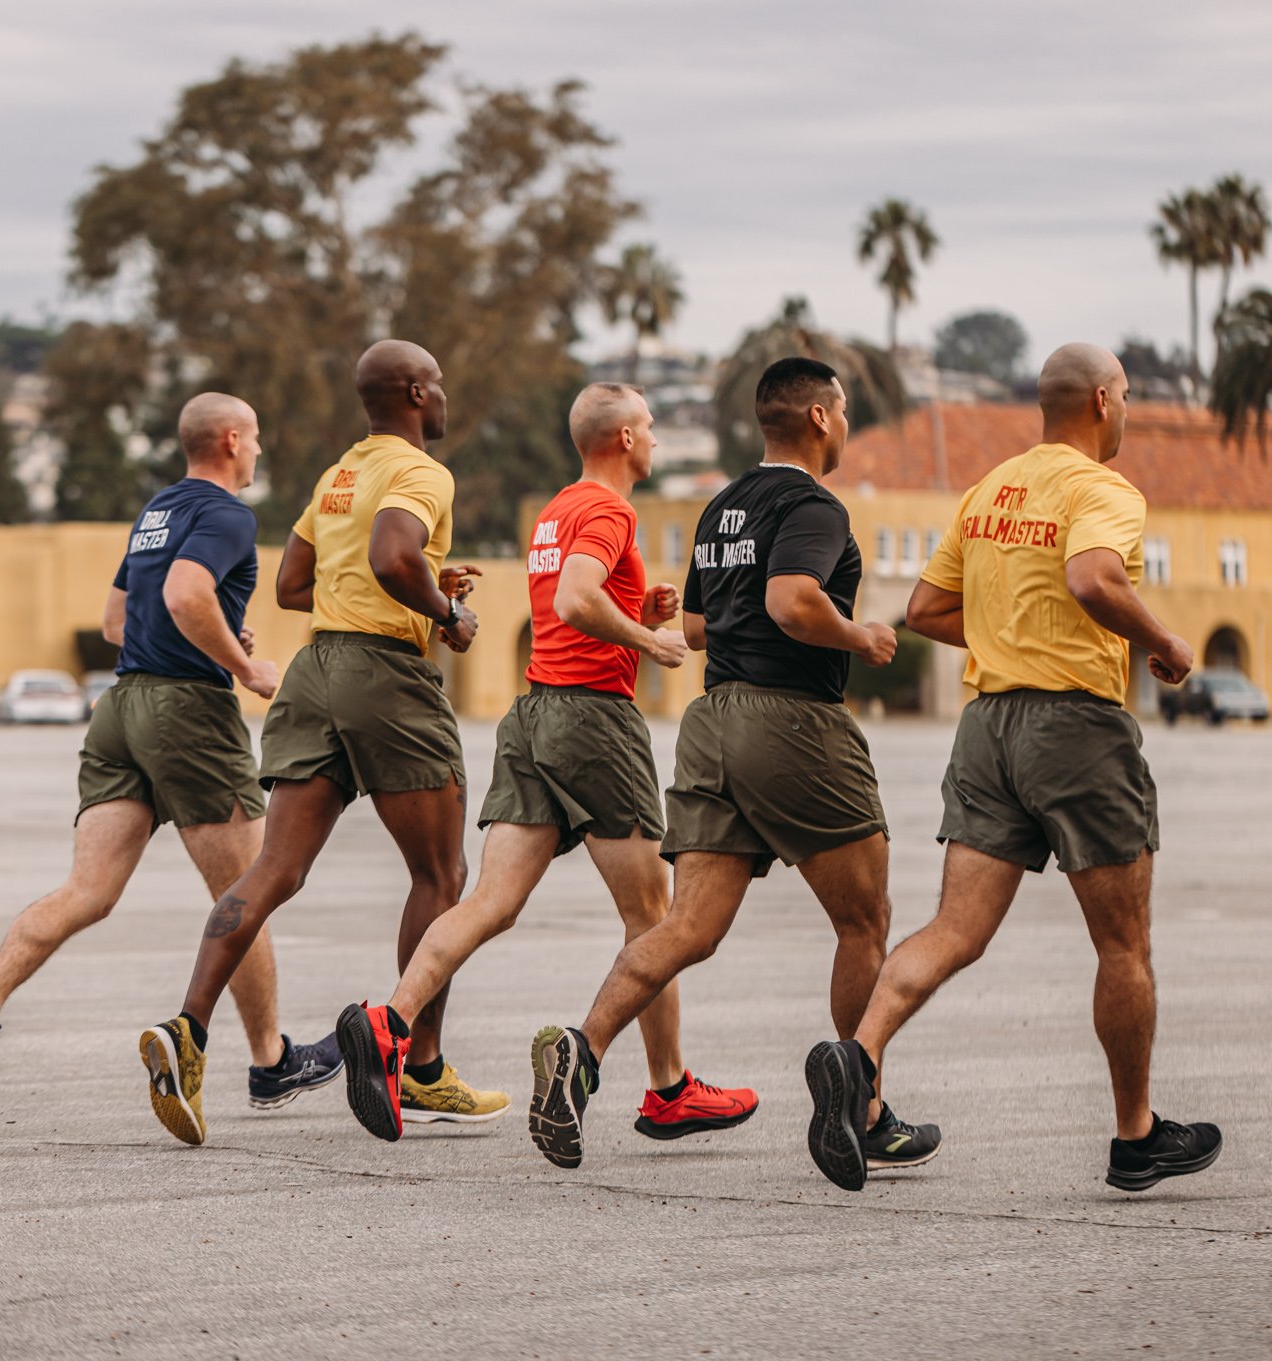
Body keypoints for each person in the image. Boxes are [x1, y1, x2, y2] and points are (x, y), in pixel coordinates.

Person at [803, 344, 1220, 1195]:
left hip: (987, 727)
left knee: (955, 929)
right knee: (1123, 943)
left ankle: (859, 1055)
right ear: (1104, 400)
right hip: (1077, 728)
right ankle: (1135, 1137)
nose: (1130, 410)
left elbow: (922, 609)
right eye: (1130, 397)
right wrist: (1162, 640)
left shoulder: (989, 488)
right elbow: (1094, 575)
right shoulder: (1104, 489)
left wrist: (1001, 639)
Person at [527, 358, 939, 1170]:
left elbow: (702, 624)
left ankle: (582, 1049)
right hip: (793, 722)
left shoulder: (723, 507)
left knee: (686, 927)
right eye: (845, 409)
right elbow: (792, 601)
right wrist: (862, 635)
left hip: (711, 723)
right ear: (820, 420)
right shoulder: (813, 504)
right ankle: (863, 1103)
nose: (848, 423)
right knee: (863, 919)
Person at [334, 383, 757, 1144]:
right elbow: (573, 599)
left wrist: (639, 608)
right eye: (653, 427)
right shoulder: (609, 508)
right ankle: (668, 1089)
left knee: (492, 902)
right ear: (624, 438)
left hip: (532, 717)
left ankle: (389, 1020)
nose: (657, 439)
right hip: (593, 721)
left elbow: (573, 602)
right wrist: (648, 641)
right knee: (652, 917)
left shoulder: (558, 508)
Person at [0, 393, 340, 1115]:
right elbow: (186, 594)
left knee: (87, 891)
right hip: (188, 712)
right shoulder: (227, 514)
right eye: (257, 440)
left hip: (120, 709)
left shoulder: (157, 511)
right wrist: (247, 670)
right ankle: (271, 1059)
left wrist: (217, 633)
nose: (261, 453)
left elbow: (118, 621)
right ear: (232, 439)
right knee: (244, 891)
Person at [140, 340, 500, 1146]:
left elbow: (294, 586)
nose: (444, 397)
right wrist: (447, 614)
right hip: (384, 675)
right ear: (414, 391)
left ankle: (188, 1029)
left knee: (274, 868)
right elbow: (392, 554)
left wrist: (423, 587)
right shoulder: (421, 471)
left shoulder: (340, 472)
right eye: (438, 383)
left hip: (314, 673)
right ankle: (419, 1063)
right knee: (439, 874)